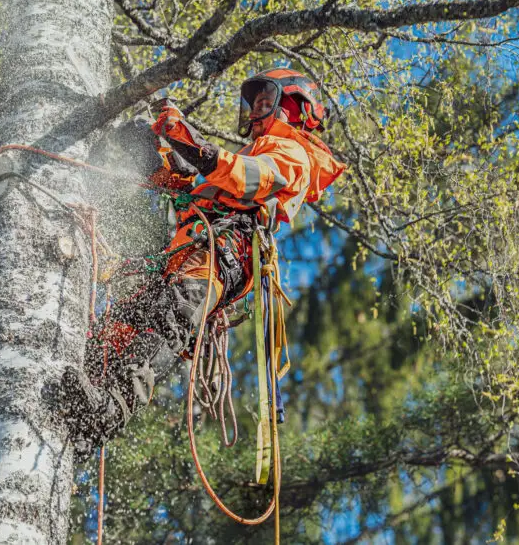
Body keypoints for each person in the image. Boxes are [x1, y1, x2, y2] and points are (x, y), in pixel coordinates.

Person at [59, 68, 345, 450]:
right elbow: (196, 185)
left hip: (224, 249)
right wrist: (160, 156)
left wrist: (188, 139)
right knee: (127, 323)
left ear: (295, 107)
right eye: (254, 104)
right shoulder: (253, 150)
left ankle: (107, 411)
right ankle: (81, 397)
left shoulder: (294, 154)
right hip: (185, 253)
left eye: (265, 103)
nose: (256, 112)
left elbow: (246, 178)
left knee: (171, 320)